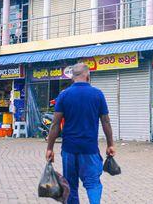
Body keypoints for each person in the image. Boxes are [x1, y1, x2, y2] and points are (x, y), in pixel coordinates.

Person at [45, 63, 115, 204]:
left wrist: (49, 148)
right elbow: (106, 122)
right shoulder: (97, 94)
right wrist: (110, 145)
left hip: (69, 150)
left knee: (70, 186)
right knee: (93, 183)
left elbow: (55, 124)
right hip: (89, 149)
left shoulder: (64, 95)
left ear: (72, 78)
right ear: (88, 76)